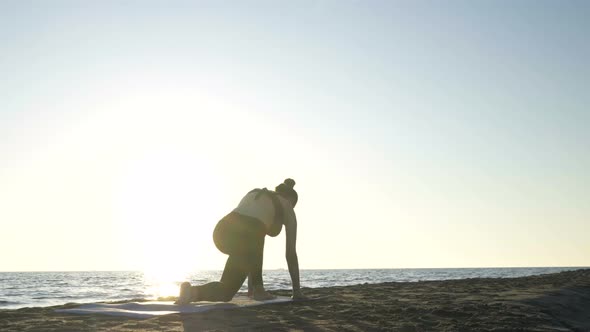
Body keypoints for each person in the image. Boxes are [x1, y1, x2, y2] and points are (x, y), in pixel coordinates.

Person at [175, 178, 305, 304]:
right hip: (248, 235)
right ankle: (258, 289)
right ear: (290, 199)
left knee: (226, 292)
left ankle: (190, 292)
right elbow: (290, 253)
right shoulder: (287, 205)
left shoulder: (256, 194)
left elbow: (252, 248)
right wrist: (297, 292)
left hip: (222, 231)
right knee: (256, 233)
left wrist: (250, 288)